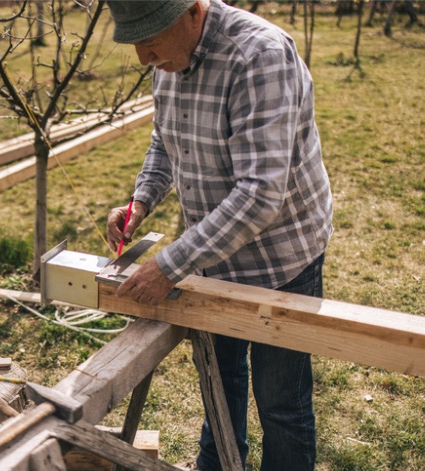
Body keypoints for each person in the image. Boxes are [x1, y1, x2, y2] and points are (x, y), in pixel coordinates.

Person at [104, 1, 333, 470]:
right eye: (136, 44)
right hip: (212, 259)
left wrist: (168, 266)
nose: (143, 59)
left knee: (281, 405)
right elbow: (165, 140)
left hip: (280, 259)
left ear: (192, 12)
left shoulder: (260, 56)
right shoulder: (168, 58)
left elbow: (259, 195)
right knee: (220, 388)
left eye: (150, 41)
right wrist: (141, 200)